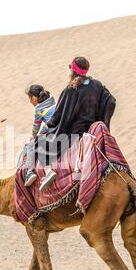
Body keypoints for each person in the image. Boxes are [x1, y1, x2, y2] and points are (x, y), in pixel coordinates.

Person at [36, 56, 116, 190]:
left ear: (72, 71)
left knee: (40, 142)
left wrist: (48, 127)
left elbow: (58, 116)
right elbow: (111, 101)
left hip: (74, 133)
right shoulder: (97, 84)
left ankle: (48, 170)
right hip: (92, 131)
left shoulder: (70, 90)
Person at [23, 85, 56, 187]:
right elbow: (50, 121)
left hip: (52, 133)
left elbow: (36, 126)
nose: (30, 102)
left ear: (34, 98)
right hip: (60, 128)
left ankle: (31, 172)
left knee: (31, 145)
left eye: (29, 99)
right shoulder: (53, 103)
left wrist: (33, 136)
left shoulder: (39, 109)